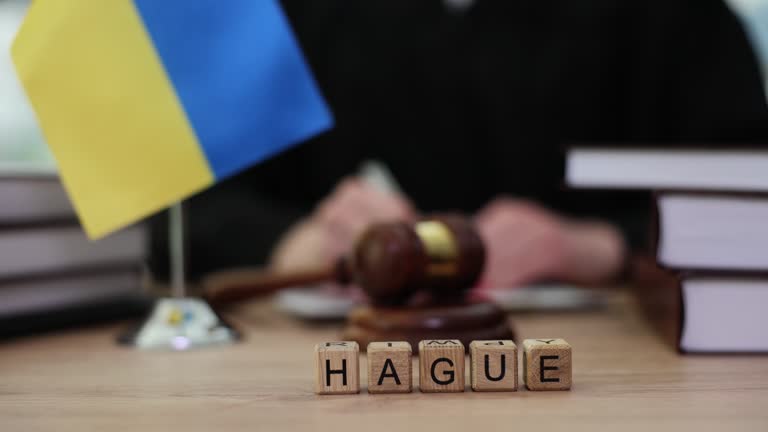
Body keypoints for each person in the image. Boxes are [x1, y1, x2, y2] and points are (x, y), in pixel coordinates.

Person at [150, 0, 768, 291]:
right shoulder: (281, 16)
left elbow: (750, 204)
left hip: (623, 373)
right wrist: (294, 244)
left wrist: (601, 246)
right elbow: (180, 214)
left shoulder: (677, 20)